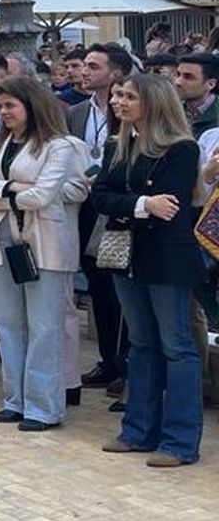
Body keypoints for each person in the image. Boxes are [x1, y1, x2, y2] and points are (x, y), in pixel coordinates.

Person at [0, 76, 89, 432]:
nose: (3, 113)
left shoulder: (58, 146)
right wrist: (9, 187)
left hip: (44, 241)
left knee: (44, 325)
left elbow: (43, 196)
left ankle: (44, 406)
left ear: (30, 106)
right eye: (0, 106)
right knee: (7, 323)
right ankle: (14, 400)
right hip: (1, 238)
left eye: (10, 106)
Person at [92, 72, 205, 466]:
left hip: (167, 258)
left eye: (128, 96)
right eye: (118, 95)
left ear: (152, 103)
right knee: (141, 344)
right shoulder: (118, 146)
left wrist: (131, 204)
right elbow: (100, 197)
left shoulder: (181, 149)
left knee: (176, 346)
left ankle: (179, 442)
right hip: (126, 256)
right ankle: (138, 431)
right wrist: (142, 204)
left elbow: (170, 206)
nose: (118, 102)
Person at [69, 43, 133, 392]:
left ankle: (126, 364)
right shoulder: (77, 113)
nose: (85, 72)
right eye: (86, 66)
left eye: (94, 66)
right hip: (84, 207)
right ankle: (108, 359)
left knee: (118, 290)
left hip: (115, 209)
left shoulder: (128, 110)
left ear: (116, 73)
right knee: (97, 287)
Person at [174, 52, 218, 138]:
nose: (177, 82)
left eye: (188, 77)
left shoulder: (215, 115)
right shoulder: (169, 111)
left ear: (210, 84)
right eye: (178, 75)